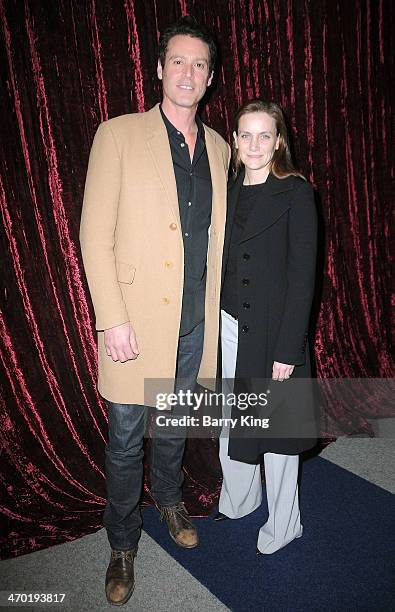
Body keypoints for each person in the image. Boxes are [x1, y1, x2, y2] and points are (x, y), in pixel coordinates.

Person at [80, 16, 229, 606]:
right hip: (135, 326)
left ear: (210, 77)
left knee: (172, 428)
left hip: (195, 324)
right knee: (126, 438)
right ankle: (122, 542)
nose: (187, 73)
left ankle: (168, 500)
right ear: (159, 68)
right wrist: (111, 316)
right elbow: (95, 234)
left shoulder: (220, 147)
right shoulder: (116, 134)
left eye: (199, 64)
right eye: (178, 61)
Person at [216, 100, 318, 555]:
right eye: (245, 134)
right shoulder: (229, 189)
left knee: (277, 434)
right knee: (229, 421)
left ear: (279, 141)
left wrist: (288, 350)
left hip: (274, 333)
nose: (254, 144)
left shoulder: (296, 192)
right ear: (234, 141)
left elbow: (303, 278)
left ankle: (285, 523)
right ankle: (238, 502)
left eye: (264, 135)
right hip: (228, 326)